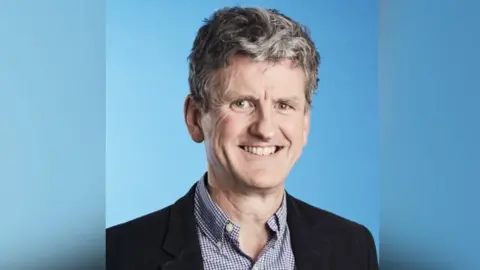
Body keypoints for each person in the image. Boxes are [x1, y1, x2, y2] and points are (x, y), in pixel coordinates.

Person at [106, 6, 379, 270]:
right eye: (242, 103)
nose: (265, 129)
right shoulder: (117, 255)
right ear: (195, 117)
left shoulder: (352, 249)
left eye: (284, 105)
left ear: (305, 124)